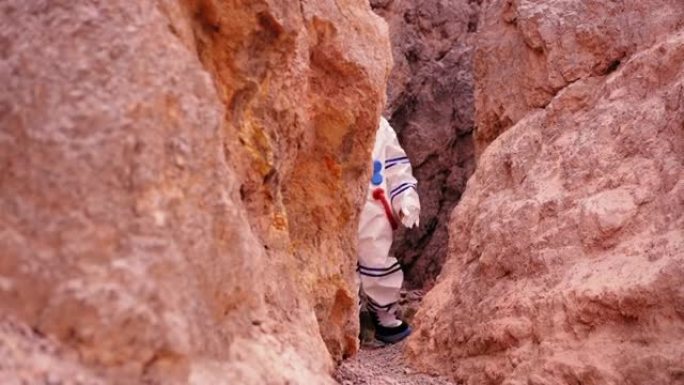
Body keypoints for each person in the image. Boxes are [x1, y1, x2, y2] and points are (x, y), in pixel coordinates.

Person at [358, 116, 420, 344]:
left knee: (377, 259)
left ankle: (383, 313)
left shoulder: (381, 126)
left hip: (373, 207)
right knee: (342, 268)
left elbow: (397, 167)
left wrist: (406, 199)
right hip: (338, 203)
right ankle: (347, 319)